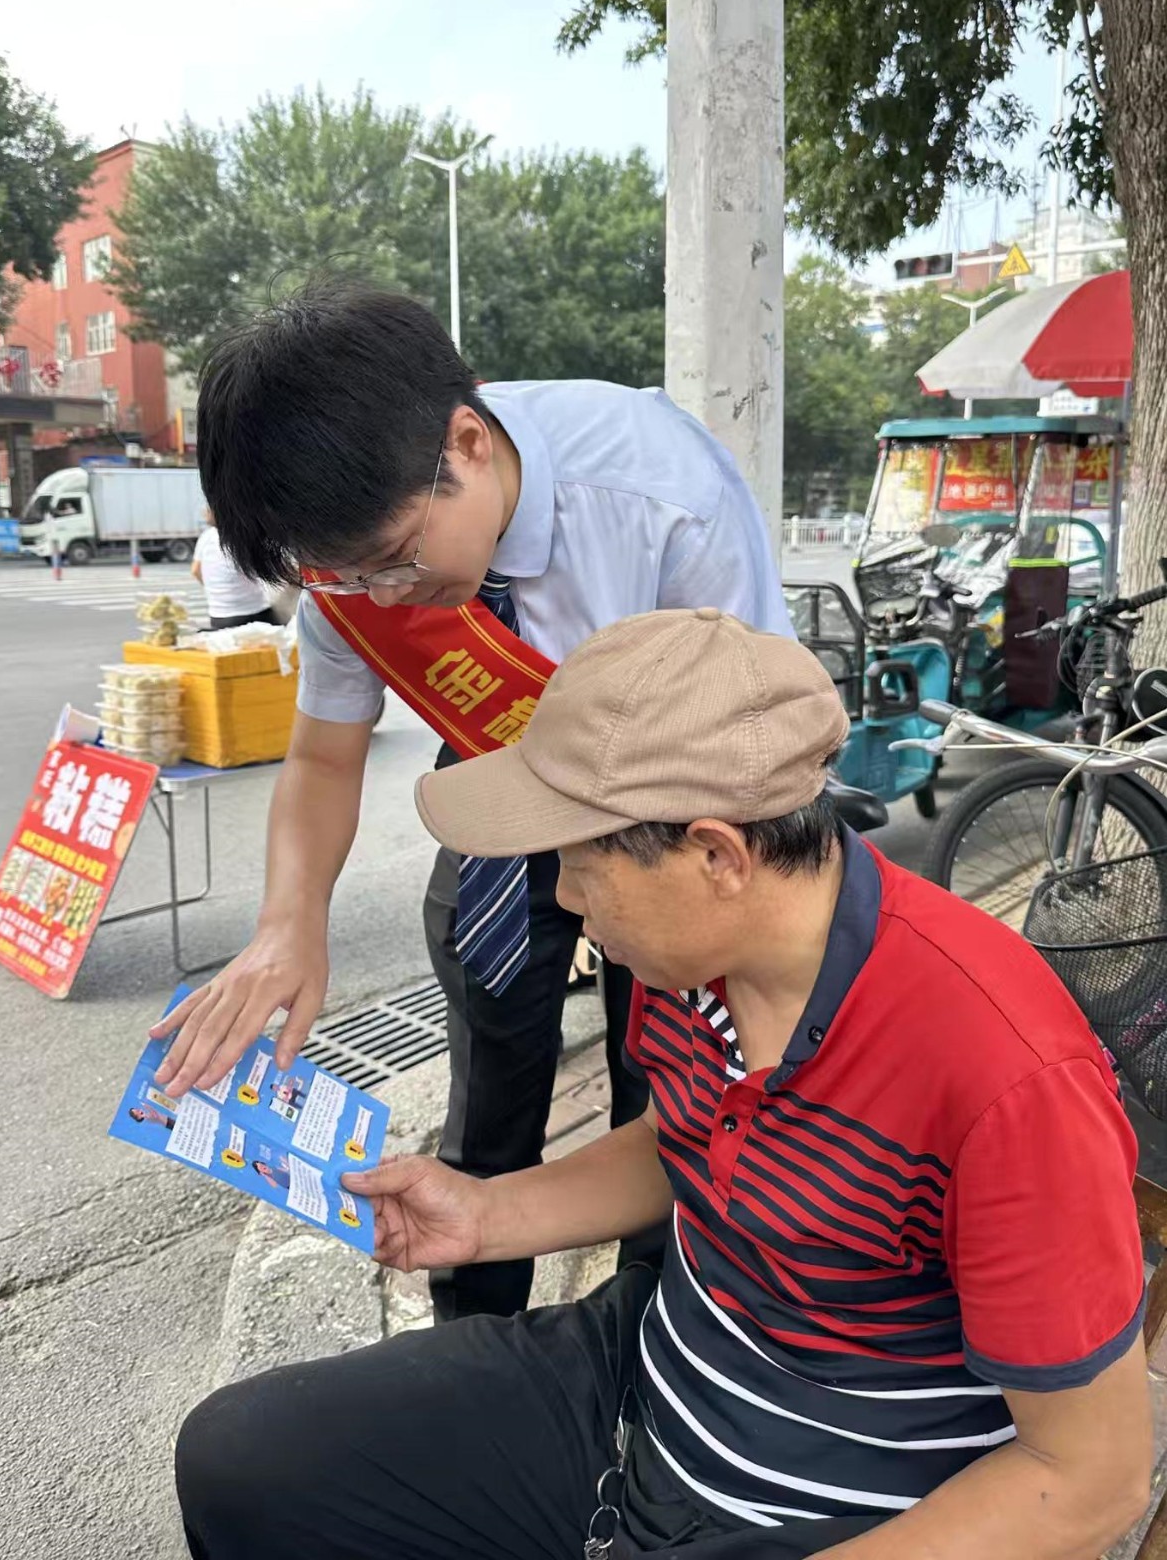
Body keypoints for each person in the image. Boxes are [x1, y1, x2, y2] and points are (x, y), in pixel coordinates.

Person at [176, 609, 1153, 1560]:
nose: (564, 899)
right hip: (647, 1374)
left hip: (827, 1506)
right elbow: (682, 1140)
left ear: (716, 854)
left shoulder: (1007, 1076)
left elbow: (1088, 1478)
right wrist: (484, 1215)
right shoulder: (689, 960)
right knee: (244, 1460)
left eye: (578, 864)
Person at [152, 279, 792, 1322]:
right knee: (490, 1103)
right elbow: (323, 759)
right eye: (349, 578)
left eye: (398, 559)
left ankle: (649, 1322)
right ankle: (475, 1333)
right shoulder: (354, 563)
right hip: (498, 821)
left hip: (670, 825)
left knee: (669, 1094)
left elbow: (757, 736)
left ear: (468, 443)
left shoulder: (661, 495)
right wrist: (288, 925)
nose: (386, 596)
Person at [191, 510, 281, 630]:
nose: (203, 512)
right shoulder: (246, 536)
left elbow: (195, 571)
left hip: (219, 617)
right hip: (255, 613)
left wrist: (217, 591)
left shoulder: (205, 537)